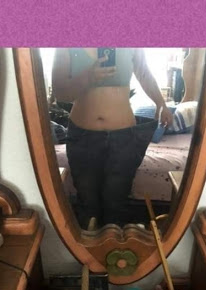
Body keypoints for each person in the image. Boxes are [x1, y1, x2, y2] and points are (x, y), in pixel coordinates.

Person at [52, 48, 174, 229]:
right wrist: (88, 77)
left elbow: (144, 74)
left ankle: (113, 245)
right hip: (82, 137)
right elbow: (60, 93)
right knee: (88, 205)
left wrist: (161, 103)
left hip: (124, 137)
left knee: (116, 205)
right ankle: (87, 247)